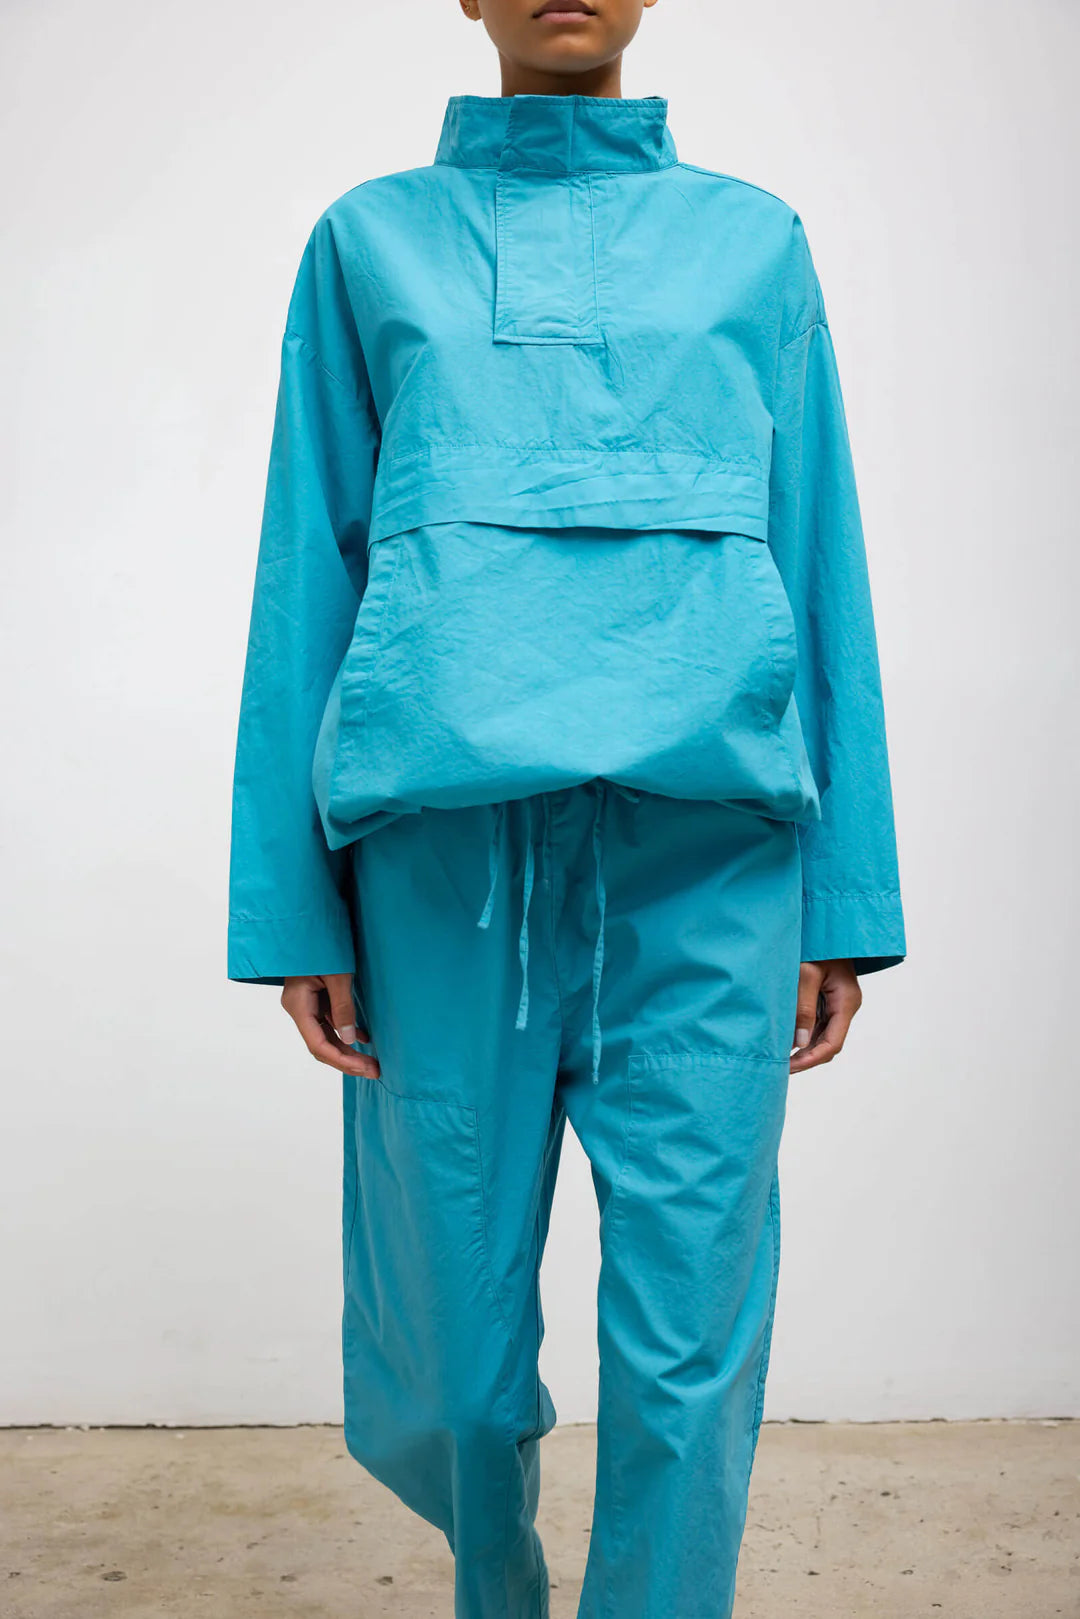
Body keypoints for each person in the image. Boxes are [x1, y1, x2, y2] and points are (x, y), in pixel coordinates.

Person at [227, 1, 906, 1613]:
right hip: (443, 869)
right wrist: (291, 903)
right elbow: (308, 568)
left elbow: (816, 550)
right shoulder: (370, 242)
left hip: (710, 866)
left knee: (687, 1359)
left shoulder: (753, 245)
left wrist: (846, 897)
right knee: (455, 1371)